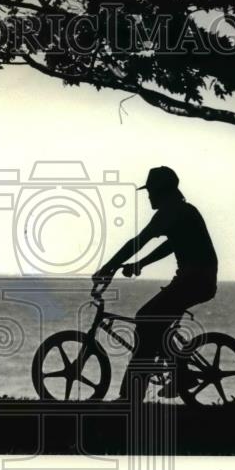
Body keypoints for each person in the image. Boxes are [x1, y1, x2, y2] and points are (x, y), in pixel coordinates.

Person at [91, 166, 218, 400]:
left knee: (147, 319)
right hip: (197, 280)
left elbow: (138, 241)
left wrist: (108, 267)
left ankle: (134, 394)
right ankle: (179, 373)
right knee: (153, 322)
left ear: (162, 191)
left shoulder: (170, 212)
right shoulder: (183, 211)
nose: (149, 196)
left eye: (151, 191)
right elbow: (171, 245)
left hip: (194, 280)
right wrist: (141, 264)